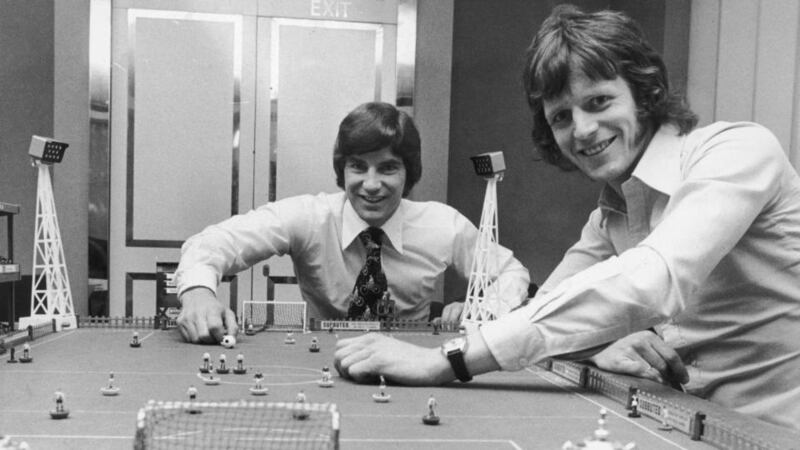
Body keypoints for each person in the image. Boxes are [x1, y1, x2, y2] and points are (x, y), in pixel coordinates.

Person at [333, 5, 800, 431]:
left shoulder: (738, 150)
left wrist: (441, 361)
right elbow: (543, 309)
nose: (582, 130)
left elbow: (649, 281)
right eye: (560, 117)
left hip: (777, 431)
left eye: (598, 101)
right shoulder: (610, 215)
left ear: (646, 92)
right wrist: (599, 345)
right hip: (694, 425)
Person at [175, 101, 530, 344]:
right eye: (358, 166)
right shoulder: (309, 216)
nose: (371, 184)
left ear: (410, 173)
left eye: (388, 167)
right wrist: (198, 294)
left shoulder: (443, 225)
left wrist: (480, 309)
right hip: (322, 358)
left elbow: (512, 272)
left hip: (412, 361)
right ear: (342, 170)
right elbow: (210, 243)